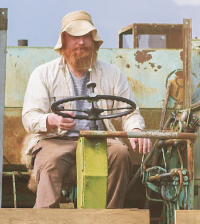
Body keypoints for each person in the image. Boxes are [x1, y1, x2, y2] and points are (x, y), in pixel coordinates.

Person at [22, 11, 151, 208]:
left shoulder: (113, 74)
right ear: (64, 41)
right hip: (56, 139)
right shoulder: (43, 74)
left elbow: (130, 112)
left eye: (86, 36)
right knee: (49, 162)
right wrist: (51, 120)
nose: (81, 42)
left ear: (94, 41)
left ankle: (108, 220)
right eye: (75, 36)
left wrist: (136, 130)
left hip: (99, 139)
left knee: (120, 154)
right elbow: (30, 117)